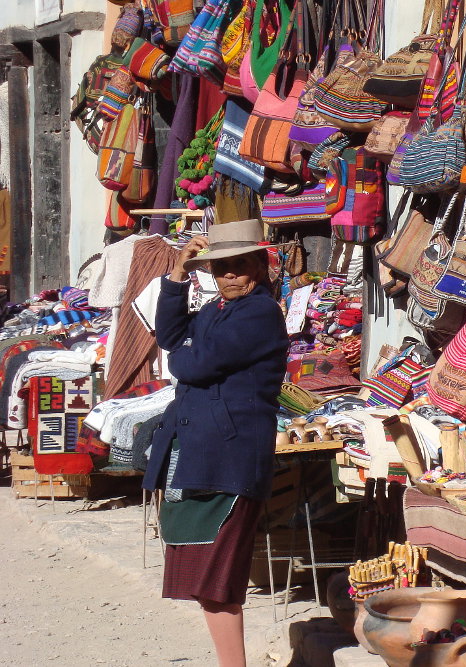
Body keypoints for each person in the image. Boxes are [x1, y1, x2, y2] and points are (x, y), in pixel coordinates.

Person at [142, 219, 289, 667]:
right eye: (220, 267)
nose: (228, 275)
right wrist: (177, 274)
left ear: (259, 268)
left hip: (230, 456)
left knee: (218, 580)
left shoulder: (259, 313)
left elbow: (192, 365)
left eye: (239, 265)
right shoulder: (216, 311)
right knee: (209, 582)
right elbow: (169, 337)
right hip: (203, 453)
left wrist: (182, 357)